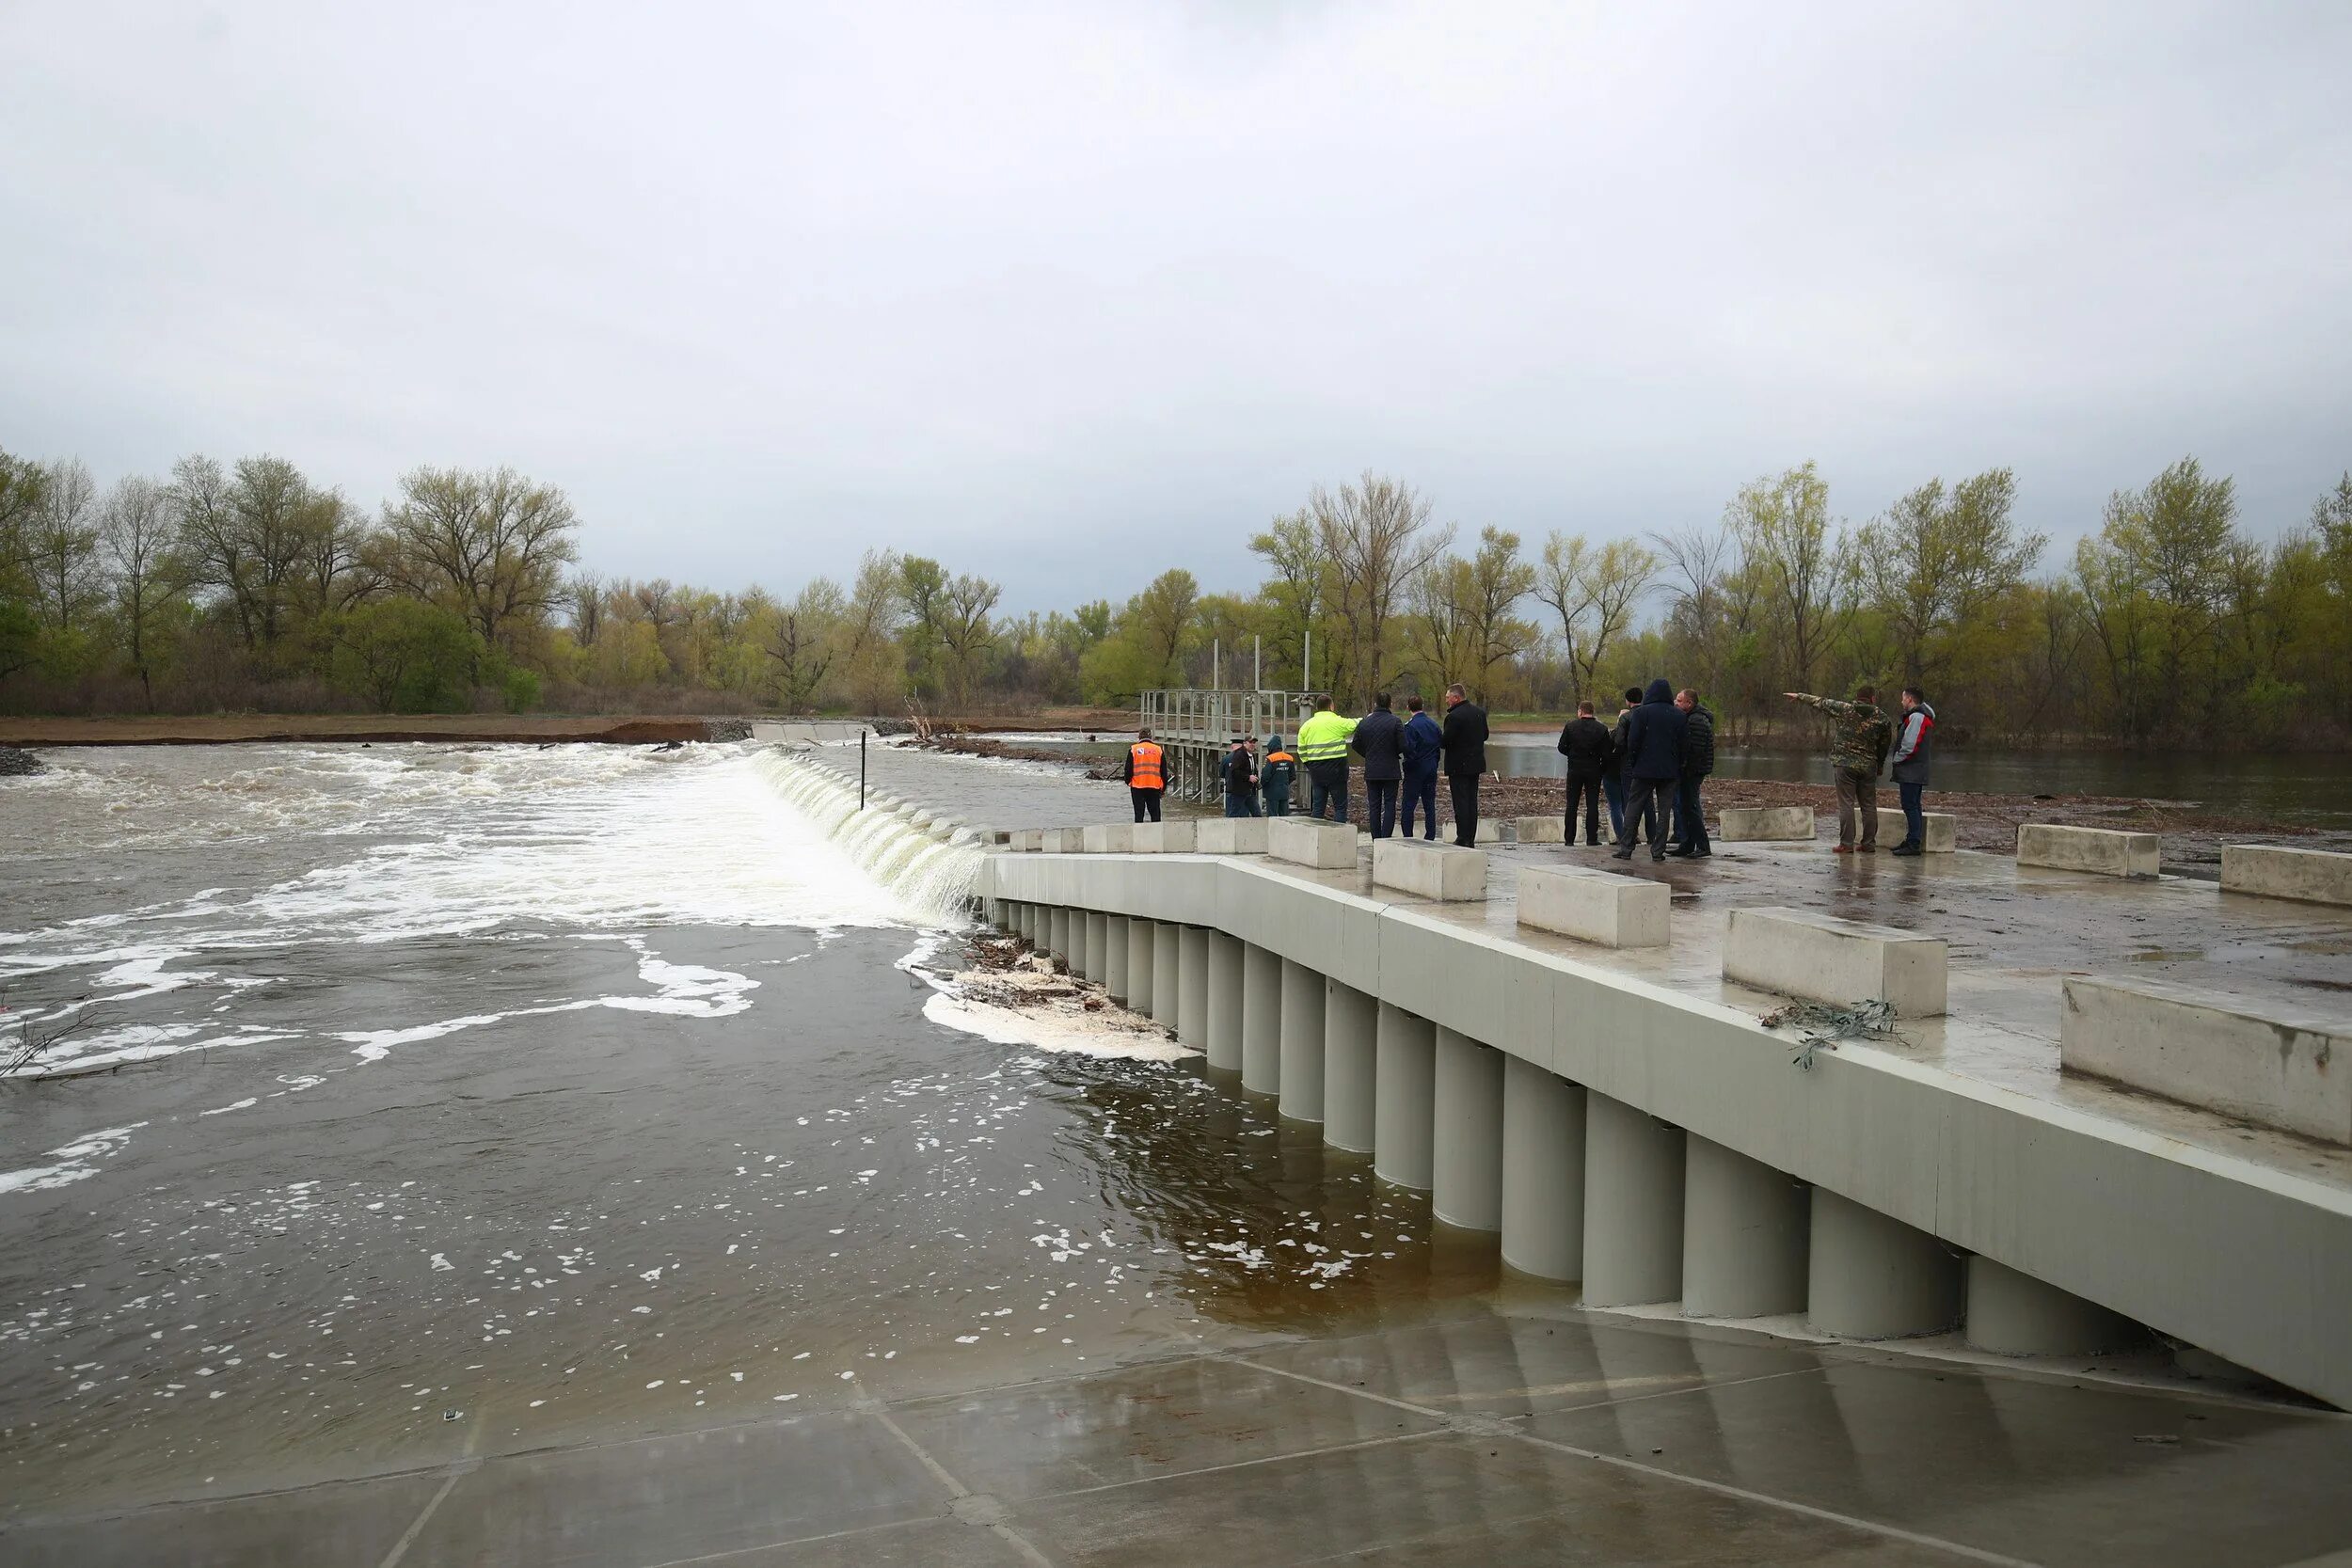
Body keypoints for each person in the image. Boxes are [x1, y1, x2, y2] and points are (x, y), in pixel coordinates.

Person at [1784, 684, 1895, 853]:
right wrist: (1879, 765)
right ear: (1873, 699)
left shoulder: (1845, 709)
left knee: (1846, 804)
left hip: (1845, 764)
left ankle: (1846, 844)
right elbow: (1884, 745)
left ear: (1857, 698)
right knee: (1869, 805)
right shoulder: (1883, 718)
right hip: (1868, 766)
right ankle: (1869, 844)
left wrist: (1799, 696)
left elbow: (1820, 702)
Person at [1612, 679, 1686, 863]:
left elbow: (1633, 742)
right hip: (1669, 771)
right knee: (1664, 810)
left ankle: (1626, 848)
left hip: (1643, 768)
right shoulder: (1678, 715)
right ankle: (1658, 850)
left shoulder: (1642, 713)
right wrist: (1679, 765)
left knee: (1633, 807)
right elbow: (1685, 745)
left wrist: (1635, 762)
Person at [1439, 683, 1490, 847]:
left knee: (1460, 802)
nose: (1447, 701)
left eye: (1448, 698)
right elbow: (1485, 735)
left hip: (1458, 765)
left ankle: (1462, 837)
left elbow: (1445, 741)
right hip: (1475, 764)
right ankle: (1470, 837)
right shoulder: (1479, 713)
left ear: (1456, 697)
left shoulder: (1454, 717)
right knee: (1471, 801)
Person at [1555, 701, 1612, 847]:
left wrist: (1572, 754)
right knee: (1592, 804)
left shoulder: (1571, 727)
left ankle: (1569, 839)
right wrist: (1601, 768)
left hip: (1575, 769)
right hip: (1594, 769)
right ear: (1592, 712)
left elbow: (1561, 747)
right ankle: (1592, 838)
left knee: (1572, 804)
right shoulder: (1602, 729)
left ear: (1580, 711)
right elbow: (1607, 754)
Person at [1667, 689, 1715, 858]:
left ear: (1690, 703)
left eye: (1680, 701)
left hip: (1692, 772)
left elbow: (1695, 751)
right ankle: (1687, 843)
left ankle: (1702, 845)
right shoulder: (1690, 718)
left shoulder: (1697, 721)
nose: (1676, 703)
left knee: (1691, 807)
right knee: (1684, 807)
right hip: (1688, 771)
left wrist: (1685, 768)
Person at [1888, 688, 1936, 855]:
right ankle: (1911, 839)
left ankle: (1913, 843)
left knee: (1910, 806)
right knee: (1913, 805)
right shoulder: (1920, 716)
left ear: (1909, 699)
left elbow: (1910, 745)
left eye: (1903, 699)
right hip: (1915, 770)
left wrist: (1896, 760)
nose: (1901, 702)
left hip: (1912, 771)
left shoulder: (1916, 717)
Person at [1352, 692, 1406, 838]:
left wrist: (1368, 754)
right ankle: (1386, 838)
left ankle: (1376, 838)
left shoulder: (1364, 722)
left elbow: (1355, 744)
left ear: (1375, 704)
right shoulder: (1396, 722)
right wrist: (1393, 752)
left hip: (1372, 770)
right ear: (1390, 704)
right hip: (1390, 770)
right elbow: (1403, 745)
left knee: (1374, 806)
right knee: (1390, 805)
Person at [1296, 696, 1358, 823]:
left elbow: (1301, 750)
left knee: (1318, 807)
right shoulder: (1336, 721)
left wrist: (1310, 765)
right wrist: (1369, 718)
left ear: (1317, 708)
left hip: (1317, 771)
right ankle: (1339, 837)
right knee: (1340, 807)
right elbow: (1355, 724)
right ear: (1331, 706)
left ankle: (1314, 837)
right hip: (1337, 770)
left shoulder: (1307, 726)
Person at [1400, 696, 1443, 841]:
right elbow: (1439, 747)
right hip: (1431, 768)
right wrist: (1435, 763)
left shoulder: (1410, 726)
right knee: (1429, 805)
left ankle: (1408, 836)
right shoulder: (1433, 725)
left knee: (1408, 805)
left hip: (1415, 770)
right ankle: (1430, 835)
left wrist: (1407, 766)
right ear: (1422, 706)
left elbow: (1409, 749)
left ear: (1408, 707)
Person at [1604, 686, 1641, 846]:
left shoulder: (1613, 735)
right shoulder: (1638, 732)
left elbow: (1608, 752)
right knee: (1629, 805)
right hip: (1631, 772)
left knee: (1615, 807)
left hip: (1612, 774)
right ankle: (1632, 834)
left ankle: (1622, 836)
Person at [1121, 727, 1165, 822]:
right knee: (1155, 815)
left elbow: (1128, 770)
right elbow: (1164, 772)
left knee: (1139, 814)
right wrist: (1163, 788)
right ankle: (1156, 835)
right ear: (1151, 736)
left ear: (1139, 736)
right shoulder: (1158, 750)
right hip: (1154, 786)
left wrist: (1128, 782)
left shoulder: (1133, 749)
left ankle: (1139, 835)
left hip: (1137, 787)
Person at [1221, 736, 1260, 817]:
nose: (1252, 745)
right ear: (1245, 743)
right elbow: (1234, 771)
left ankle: (1258, 828)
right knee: (1234, 813)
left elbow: (1253, 770)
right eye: (1250, 742)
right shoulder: (1239, 754)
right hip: (1238, 791)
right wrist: (1248, 777)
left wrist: (1255, 780)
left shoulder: (1251, 755)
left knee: (1257, 813)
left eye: (1254, 743)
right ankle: (1229, 828)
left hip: (1249, 790)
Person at [1261, 735, 1296, 817]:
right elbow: (1293, 776)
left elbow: (1265, 776)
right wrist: (1285, 783)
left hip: (1271, 792)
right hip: (1284, 791)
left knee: (1272, 816)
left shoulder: (1270, 758)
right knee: (1284, 816)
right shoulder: (1289, 758)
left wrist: (1262, 784)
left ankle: (1273, 830)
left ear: (1271, 747)